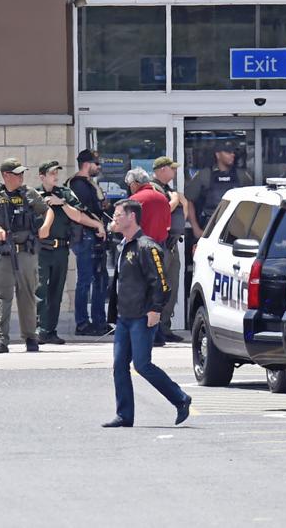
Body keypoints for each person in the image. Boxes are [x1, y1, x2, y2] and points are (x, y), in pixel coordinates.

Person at [102, 199, 192, 429]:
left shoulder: (146, 247)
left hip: (142, 316)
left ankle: (180, 398)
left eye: (118, 214)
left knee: (142, 365)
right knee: (119, 365)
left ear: (131, 217)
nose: (114, 219)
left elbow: (161, 283)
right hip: (124, 317)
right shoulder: (123, 245)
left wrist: (155, 309)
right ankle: (124, 415)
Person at [0, 158, 49, 354]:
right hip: (3, 254)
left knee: (27, 295)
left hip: (25, 252)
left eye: (22, 173)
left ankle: (30, 337)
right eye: (17, 173)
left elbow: (47, 211)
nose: (21, 176)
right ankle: (0, 339)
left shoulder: (29, 193)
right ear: (6, 175)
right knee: (3, 296)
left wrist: (46, 226)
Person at [35, 160, 106, 345]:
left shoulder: (64, 193)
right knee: (40, 290)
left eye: (56, 173)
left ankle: (50, 330)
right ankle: (39, 329)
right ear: (42, 176)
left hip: (60, 248)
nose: (55, 176)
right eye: (51, 173)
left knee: (56, 291)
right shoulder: (33, 194)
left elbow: (78, 215)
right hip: (41, 249)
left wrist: (62, 203)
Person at [68, 149, 112, 337]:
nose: (99, 167)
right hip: (85, 236)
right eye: (96, 163)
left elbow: (97, 207)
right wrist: (97, 223)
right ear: (87, 164)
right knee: (85, 281)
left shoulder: (89, 184)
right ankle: (82, 323)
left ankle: (99, 322)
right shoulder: (77, 184)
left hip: (95, 235)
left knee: (100, 279)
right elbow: (83, 211)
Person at [184, 141, 254, 241]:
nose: (232, 155)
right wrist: (196, 229)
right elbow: (188, 200)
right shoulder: (205, 175)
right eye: (228, 152)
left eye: (233, 152)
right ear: (217, 155)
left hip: (237, 227)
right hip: (211, 226)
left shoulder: (242, 175)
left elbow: (252, 202)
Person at [150, 155, 186, 344]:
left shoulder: (168, 189)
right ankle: (155, 329)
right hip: (161, 244)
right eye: (172, 168)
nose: (174, 171)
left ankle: (165, 327)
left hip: (172, 244)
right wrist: (175, 199)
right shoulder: (154, 188)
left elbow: (183, 208)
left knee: (172, 286)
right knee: (160, 287)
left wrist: (181, 201)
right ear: (162, 169)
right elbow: (164, 210)